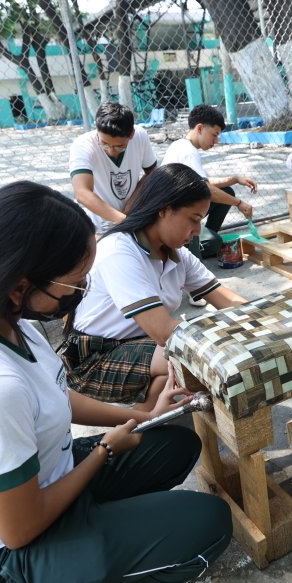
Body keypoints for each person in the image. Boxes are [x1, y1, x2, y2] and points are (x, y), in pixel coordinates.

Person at [0, 180, 231, 583]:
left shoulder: (11, 322)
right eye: (76, 285)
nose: (81, 294)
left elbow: (58, 395)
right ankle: (70, 578)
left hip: (43, 479)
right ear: (21, 285)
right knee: (209, 522)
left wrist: (146, 417)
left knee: (174, 444)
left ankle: (86, 534)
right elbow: (19, 529)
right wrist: (102, 453)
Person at [61, 163, 248, 407]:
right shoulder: (120, 250)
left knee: (189, 354)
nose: (196, 231)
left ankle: (149, 418)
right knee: (186, 356)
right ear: (164, 210)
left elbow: (229, 301)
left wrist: (264, 320)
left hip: (139, 345)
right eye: (193, 219)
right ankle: (137, 429)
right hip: (94, 357)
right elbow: (164, 331)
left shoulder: (177, 255)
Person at [164, 104, 258, 258]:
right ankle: (189, 248)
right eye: (214, 135)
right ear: (200, 128)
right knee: (215, 243)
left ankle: (201, 237)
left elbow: (205, 183)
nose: (216, 140)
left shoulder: (180, 145)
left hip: (182, 208)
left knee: (227, 192)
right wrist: (239, 203)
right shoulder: (188, 152)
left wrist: (235, 179)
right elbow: (207, 189)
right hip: (175, 219)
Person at [70, 102, 159, 232]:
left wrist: (130, 207)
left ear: (132, 134)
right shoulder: (82, 145)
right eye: (105, 144)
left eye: (120, 146)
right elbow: (82, 193)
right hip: (101, 225)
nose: (111, 151)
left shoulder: (140, 136)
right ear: (96, 127)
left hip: (132, 215)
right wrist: (124, 221)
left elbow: (152, 172)